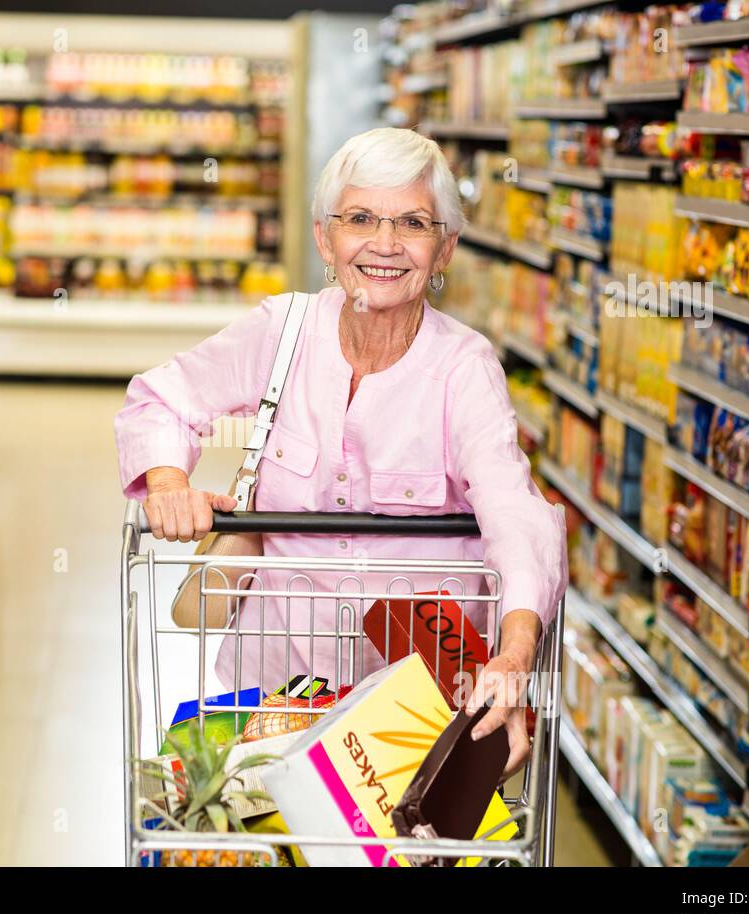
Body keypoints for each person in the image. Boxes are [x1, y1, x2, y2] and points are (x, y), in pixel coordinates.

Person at [114, 127, 566, 776]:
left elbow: (514, 510)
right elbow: (162, 397)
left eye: (413, 222)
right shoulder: (283, 332)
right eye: (360, 219)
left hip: (412, 709)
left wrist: (515, 651)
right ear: (327, 239)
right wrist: (166, 485)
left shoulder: (464, 369)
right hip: (272, 698)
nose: (384, 245)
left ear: (445, 250)